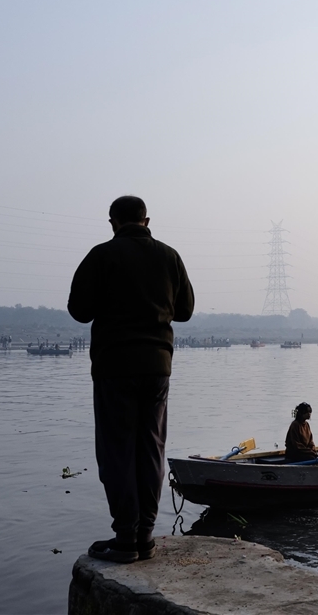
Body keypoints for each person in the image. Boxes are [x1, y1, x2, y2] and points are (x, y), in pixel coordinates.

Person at [68, 195, 195, 564]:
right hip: (158, 367)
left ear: (113, 222)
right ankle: (145, 536)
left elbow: (79, 311)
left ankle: (125, 538)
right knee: (150, 447)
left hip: (114, 368)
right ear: (147, 220)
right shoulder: (169, 256)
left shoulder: (102, 255)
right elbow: (184, 311)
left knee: (117, 449)